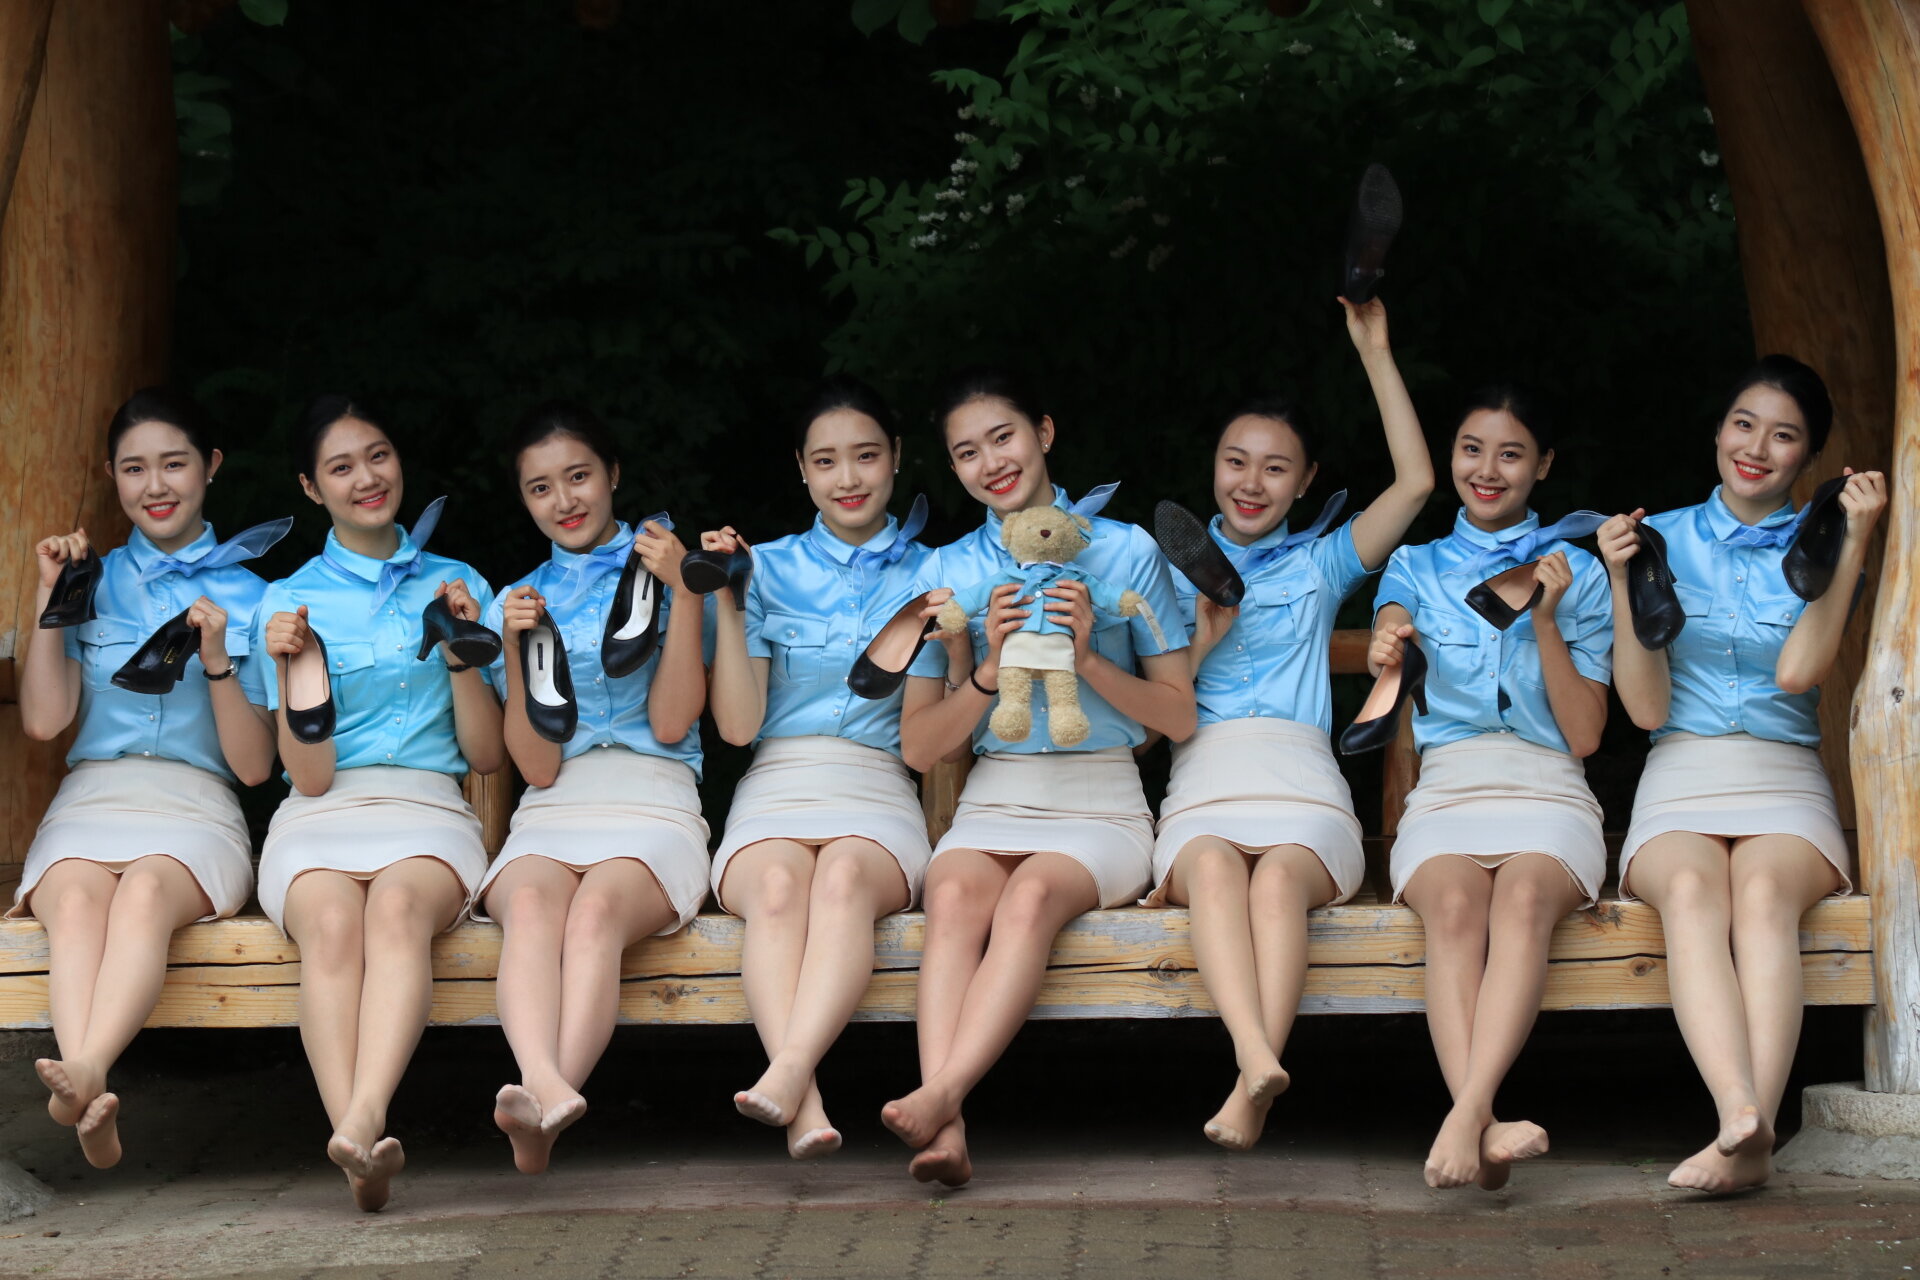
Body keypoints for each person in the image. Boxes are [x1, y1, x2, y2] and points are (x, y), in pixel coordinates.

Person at [881, 368, 1193, 1186]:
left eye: (1003, 438)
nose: (991, 463)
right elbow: (920, 747)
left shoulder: (1126, 550)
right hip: (995, 797)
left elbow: (1178, 716)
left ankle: (941, 1095)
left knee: (1029, 897)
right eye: (966, 453)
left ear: (1043, 433)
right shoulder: (946, 571)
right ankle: (948, 1133)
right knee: (953, 894)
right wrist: (985, 673)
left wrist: (1088, 659)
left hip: (1102, 804)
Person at [1148, 297, 1434, 1150]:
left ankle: (1253, 1080)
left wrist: (1375, 351)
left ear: (1306, 482)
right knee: (1210, 868)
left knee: (1275, 882)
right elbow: (1153, 720)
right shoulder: (1163, 570)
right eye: (1235, 461)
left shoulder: (1320, 563)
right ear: (1213, 466)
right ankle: (1258, 1062)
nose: (1251, 482)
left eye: (1276, 469)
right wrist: (1201, 642)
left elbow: (1417, 485)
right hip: (1204, 784)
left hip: (1303, 785)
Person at [1599, 356, 1886, 1194]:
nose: (1756, 448)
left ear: (1810, 456)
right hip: (1680, 770)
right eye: (1743, 424)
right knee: (1693, 891)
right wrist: (1619, 578)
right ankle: (1743, 1115)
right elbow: (1645, 709)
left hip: (1783, 776)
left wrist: (1853, 540)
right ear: (1719, 430)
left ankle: (1746, 1135)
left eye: (1783, 435)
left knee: (1761, 897)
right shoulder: (1656, 539)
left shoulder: (1826, 543)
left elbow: (1797, 672)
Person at [14, 388, 281, 1169]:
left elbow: (255, 767)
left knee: (141, 894)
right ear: (112, 476)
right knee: (73, 900)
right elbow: (44, 721)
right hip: (92, 798)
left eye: (174, 464)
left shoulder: (257, 596)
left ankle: (86, 1074)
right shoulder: (86, 578)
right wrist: (48, 599)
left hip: (197, 808)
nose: (155, 486)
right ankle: (90, 1086)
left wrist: (218, 658)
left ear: (211, 467)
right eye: (134, 469)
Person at [705, 376, 971, 1159]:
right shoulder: (763, 568)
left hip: (877, 786)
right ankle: (806, 1100)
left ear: (896, 458)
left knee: (845, 879)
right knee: (778, 887)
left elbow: (932, 740)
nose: (847, 478)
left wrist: (960, 648)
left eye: (865, 456)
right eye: (825, 461)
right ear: (801, 469)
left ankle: (789, 1074)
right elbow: (738, 727)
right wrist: (729, 601)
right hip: (776, 782)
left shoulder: (935, 574)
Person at [256, 395, 504, 1211]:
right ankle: (360, 1148)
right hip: (320, 813)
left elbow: (486, 755)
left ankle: (359, 1126)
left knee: (396, 910)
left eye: (378, 455)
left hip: (430, 809)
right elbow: (308, 776)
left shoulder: (461, 582)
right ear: (310, 487)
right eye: (341, 467)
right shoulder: (285, 602)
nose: (367, 477)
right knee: (332, 922)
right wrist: (292, 665)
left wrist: (463, 649)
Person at [1368, 386, 1612, 1189]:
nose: (1488, 469)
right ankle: (1484, 1122)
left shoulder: (1579, 570)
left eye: (1511, 454)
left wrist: (1545, 619)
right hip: (1447, 791)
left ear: (1543, 466)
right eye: (1472, 449)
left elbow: (1585, 734)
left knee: (1524, 898)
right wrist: (1387, 644)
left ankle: (1466, 1115)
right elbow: (1390, 626)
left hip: (1550, 789)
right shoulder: (1415, 564)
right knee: (1453, 908)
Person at [475, 402, 713, 1174]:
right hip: (556, 801)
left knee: (597, 911)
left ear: (612, 474)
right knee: (532, 906)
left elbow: (671, 723)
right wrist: (514, 652)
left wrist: (685, 592)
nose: (564, 500)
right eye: (540, 488)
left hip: (654, 796)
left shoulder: (669, 570)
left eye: (578, 476)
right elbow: (537, 768)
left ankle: (544, 1099)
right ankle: (545, 1090)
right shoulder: (517, 599)